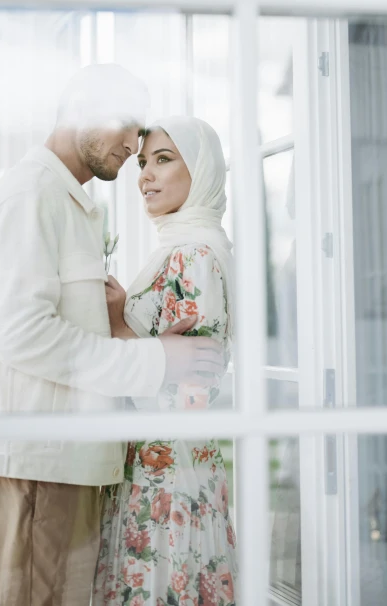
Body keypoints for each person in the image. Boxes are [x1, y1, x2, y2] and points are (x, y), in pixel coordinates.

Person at [0, 66, 225, 606]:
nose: (131, 144)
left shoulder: (64, 200)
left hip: (59, 464)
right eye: (125, 125)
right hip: (32, 465)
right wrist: (155, 359)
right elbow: (24, 336)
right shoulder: (30, 194)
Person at [93, 116, 238, 606]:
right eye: (141, 163)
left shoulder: (192, 255)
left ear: (201, 171)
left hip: (168, 475)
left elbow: (189, 393)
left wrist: (117, 324)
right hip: (166, 466)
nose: (145, 176)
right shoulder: (177, 250)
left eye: (163, 159)